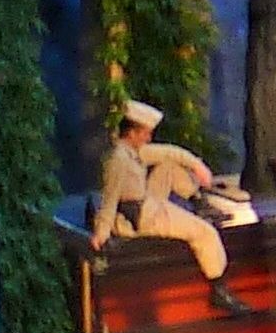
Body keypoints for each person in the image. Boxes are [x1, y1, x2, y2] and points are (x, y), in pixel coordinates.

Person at [98, 98, 249, 315]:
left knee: (168, 166)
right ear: (131, 133)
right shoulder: (118, 160)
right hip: (140, 217)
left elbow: (170, 152)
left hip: (146, 204)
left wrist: (198, 166)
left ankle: (198, 201)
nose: (148, 138)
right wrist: (101, 233)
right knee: (205, 232)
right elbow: (109, 200)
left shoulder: (132, 151)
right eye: (145, 133)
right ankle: (219, 289)